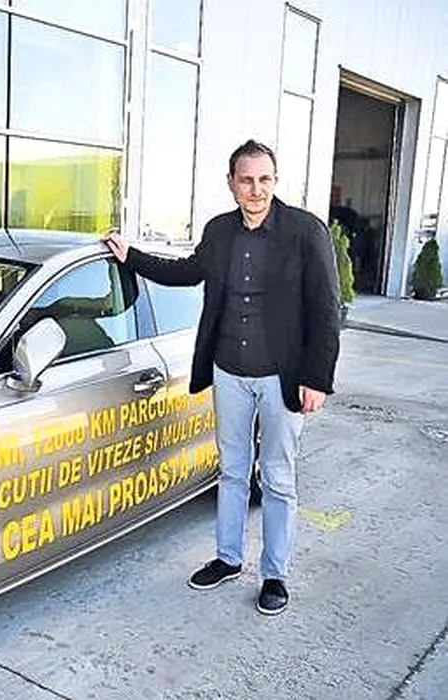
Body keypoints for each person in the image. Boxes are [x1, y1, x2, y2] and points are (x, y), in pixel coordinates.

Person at [104, 139, 341, 615]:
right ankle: (228, 558)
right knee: (232, 471)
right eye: (246, 180)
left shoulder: (305, 231)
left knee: (277, 477)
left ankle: (274, 574)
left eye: (264, 179)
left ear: (275, 180)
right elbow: (186, 272)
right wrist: (132, 257)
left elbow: (326, 308)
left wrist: (317, 377)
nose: (256, 189)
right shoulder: (219, 231)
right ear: (231, 182)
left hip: (282, 376)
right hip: (229, 371)